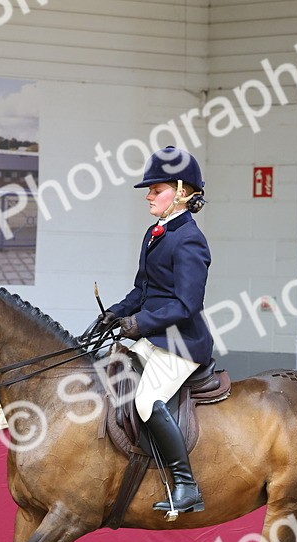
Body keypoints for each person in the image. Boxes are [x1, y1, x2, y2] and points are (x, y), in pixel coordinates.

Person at [101, 146, 214, 516]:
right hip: (153, 337)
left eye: (156, 190)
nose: (148, 196)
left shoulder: (189, 239)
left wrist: (138, 324)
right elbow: (143, 289)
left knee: (148, 400)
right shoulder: (155, 232)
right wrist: (116, 314)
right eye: (149, 190)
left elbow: (186, 305)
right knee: (106, 366)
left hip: (180, 343)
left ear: (182, 192)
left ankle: (186, 486)